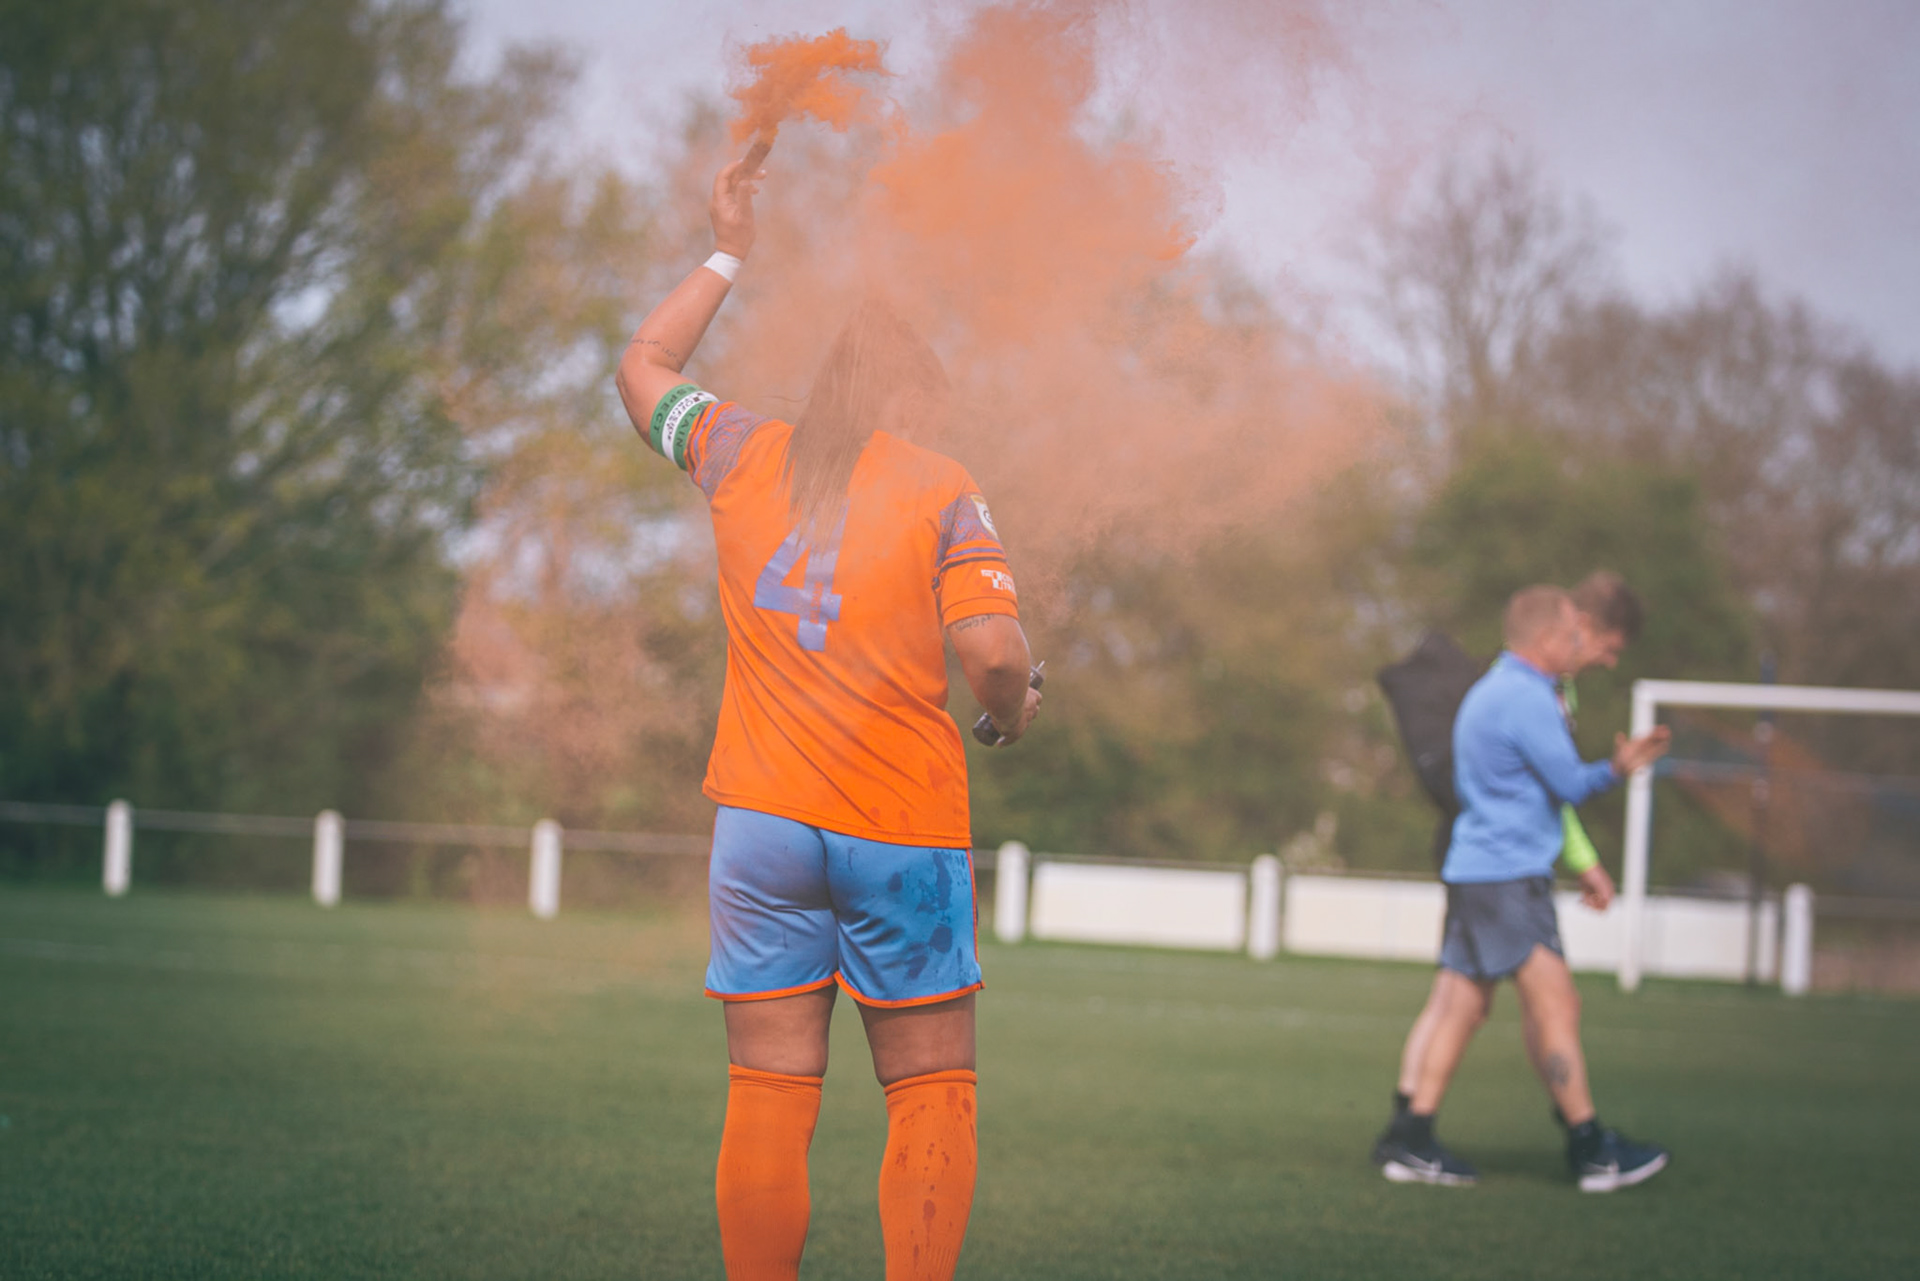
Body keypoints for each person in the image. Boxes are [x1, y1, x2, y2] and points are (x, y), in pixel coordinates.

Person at [615, 159, 1042, 1281]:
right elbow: (995, 654)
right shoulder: (941, 484)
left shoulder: (740, 451)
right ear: (911, 402)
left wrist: (728, 247)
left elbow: (642, 365)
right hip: (898, 824)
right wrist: (1011, 714)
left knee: (767, 1089)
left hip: (758, 827)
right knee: (929, 1087)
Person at [1370, 585, 1672, 1192]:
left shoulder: (1492, 689)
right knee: (1556, 1005)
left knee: (1461, 1006)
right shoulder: (1528, 698)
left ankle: (1412, 1136)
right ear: (1548, 638)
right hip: (1507, 879)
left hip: (1478, 872)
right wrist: (1619, 767)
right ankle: (1590, 1148)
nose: (1579, 644)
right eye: (1572, 635)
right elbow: (1571, 784)